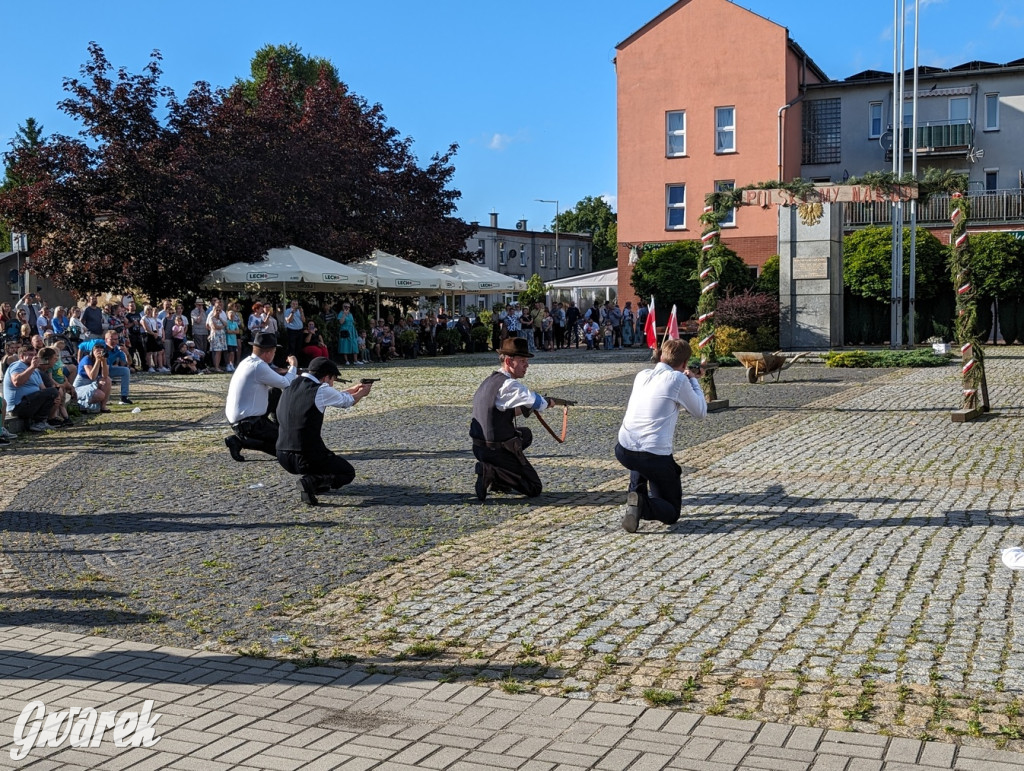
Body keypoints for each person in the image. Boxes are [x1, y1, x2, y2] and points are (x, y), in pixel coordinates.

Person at [614, 339, 707, 532]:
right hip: (654, 456)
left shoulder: (642, 375)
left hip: (624, 449)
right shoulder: (679, 379)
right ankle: (642, 504)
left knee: (638, 458)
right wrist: (694, 381)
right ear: (683, 364)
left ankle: (636, 495)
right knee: (671, 512)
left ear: (662, 356)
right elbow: (700, 412)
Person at [276, 356, 373, 505]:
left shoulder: (291, 384)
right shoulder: (320, 390)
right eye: (333, 380)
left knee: (324, 462)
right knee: (347, 472)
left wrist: (353, 389)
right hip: (306, 456)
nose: (332, 384)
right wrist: (362, 393)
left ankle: (317, 483)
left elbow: (331, 395)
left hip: (281, 454)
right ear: (326, 377)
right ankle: (311, 482)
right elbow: (346, 401)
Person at [470, 337, 556, 502]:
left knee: (526, 435)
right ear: (509, 361)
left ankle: (499, 481)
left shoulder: (490, 380)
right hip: (494, 450)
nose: (527, 365)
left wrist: (524, 408)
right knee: (534, 487)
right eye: (522, 361)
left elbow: (501, 411)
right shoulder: (509, 385)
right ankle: (492, 471)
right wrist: (550, 402)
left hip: (479, 446)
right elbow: (538, 402)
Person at [224, 332, 298, 462]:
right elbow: (286, 383)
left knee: (274, 392)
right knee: (288, 449)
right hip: (248, 423)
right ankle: (240, 441)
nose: (274, 355)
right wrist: (294, 366)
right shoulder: (259, 366)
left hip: (241, 417)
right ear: (268, 353)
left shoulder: (247, 361)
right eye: (274, 352)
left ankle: (279, 429)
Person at [3, 345, 59, 432]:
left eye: (35, 354)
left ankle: (42, 422)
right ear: (21, 356)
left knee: (53, 393)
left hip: (30, 403)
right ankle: (38, 423)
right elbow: (17, 382)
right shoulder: (17, 366)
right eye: (30, 355)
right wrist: (32, 367)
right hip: (18, 406)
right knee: (52, 391)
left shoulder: (35, 371)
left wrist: (53, 398)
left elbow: (43, 389)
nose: (34, 357)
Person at [73, 341, 112, 414]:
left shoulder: (105, 358)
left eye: (101, 348)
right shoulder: (86, 359)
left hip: (92, 385)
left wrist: (103, 362)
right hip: (81, 386)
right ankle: (81, 405)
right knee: (99, 394)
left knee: (107, 380)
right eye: (97, 348)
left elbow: (105, 375)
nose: (99, 350)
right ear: (92, 351)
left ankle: (103, 407)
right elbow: (92, 376)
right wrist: (97, 361)